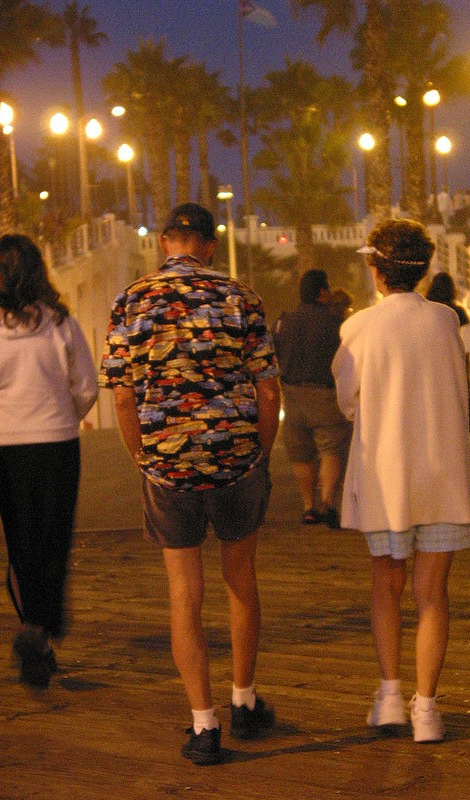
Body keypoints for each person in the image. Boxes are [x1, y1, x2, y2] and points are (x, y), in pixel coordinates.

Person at [99, 203, 280, 765]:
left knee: (185, 593)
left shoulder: (131, 300)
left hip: (168, 463)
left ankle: (205, 725)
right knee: (240, 578)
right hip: (236, 459)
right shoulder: (241, 297)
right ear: (209, 243)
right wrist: (259, 454)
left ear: (163, 242)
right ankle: (245, 703)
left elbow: (123, 396)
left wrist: (142, 456)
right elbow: (269, 392)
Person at [332, 219, 470, 743]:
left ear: (376, 269)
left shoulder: (359, 328)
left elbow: (348, 404)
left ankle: (391, 695)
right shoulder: (445, 321)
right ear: (423, 269)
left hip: (386, 478)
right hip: (442, 475)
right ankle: (427, 710)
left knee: (387, 585)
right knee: (433, 593)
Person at [0, 234, 98, 688]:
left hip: (0, 447)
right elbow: (85, 386)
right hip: (57, 443)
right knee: (54, 539)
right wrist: (65, 416)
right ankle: (39, 630)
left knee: (21, 543)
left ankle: (35, 631)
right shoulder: (59, 322)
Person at [273, 269, 352, 528]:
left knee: (301, 455)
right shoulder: (336, 323)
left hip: (293, 395)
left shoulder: (284, 322)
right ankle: (328, 502)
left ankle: (308, 506)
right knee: (330, 450)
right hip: (326, 395)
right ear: (322, 293)